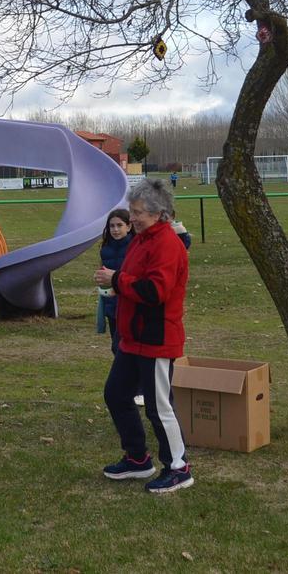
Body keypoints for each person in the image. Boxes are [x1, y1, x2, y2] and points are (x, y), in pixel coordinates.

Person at [95, 178, 192, 494]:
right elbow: (135, 279)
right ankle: (138, 459)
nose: (132, 217)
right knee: (116, 393)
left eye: (138, 213)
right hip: (132, 338)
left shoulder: (166, 244)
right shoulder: (141, 239)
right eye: (132, 211)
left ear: (159, 213)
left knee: (158, 406)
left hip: (157, 338)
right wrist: (118, 283)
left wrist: (118, 280)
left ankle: (178, 467)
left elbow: (154, 291)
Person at [96, 209, 133, 353]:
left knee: (123, 346)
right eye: (112, 226)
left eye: (119, 225)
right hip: (111, 302)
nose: (115, 230)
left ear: (129, 227)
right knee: (116, 347)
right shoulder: (105, 248)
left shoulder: (135, 246)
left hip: (128, 303)